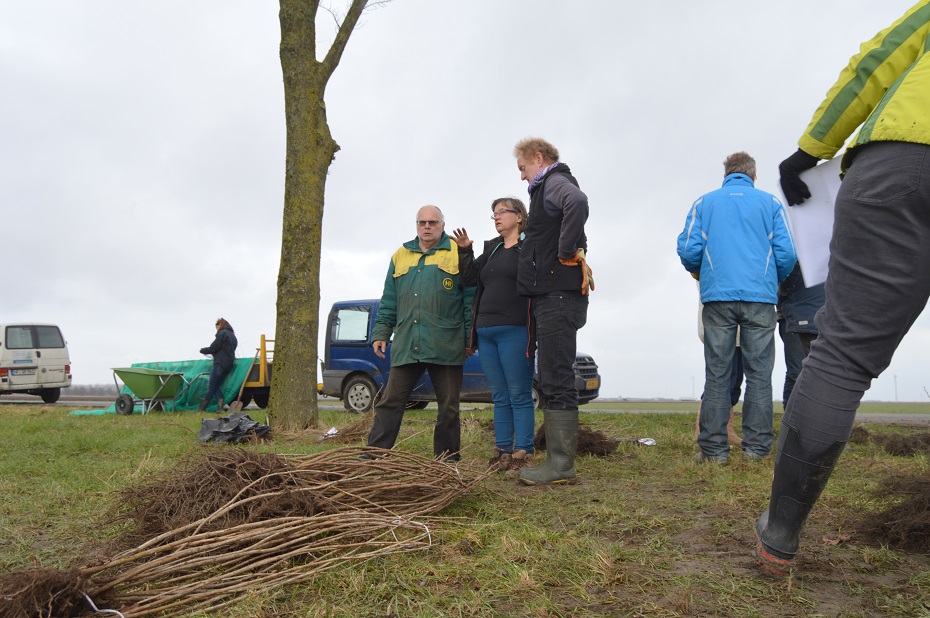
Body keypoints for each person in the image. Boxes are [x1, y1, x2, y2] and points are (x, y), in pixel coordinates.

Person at [756, 2, 930, 577]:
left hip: (902, 161)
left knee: (842, 357)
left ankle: (779, 535)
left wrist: (812, 148)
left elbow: (876, 63)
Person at [677, 152, 796, 464]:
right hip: (760, 298)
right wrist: (770, 281)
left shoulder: (705, 203)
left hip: (718, 297)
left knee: (717, 373)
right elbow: (787, 253)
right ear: (753, 175)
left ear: (726, 174)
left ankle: (714, 451)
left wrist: (704, 274)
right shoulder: (770, 204)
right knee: (760, 374)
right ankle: (757, 450)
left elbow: (688, 249)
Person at [362, 205, 474, 461]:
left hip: (445, 343)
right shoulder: (400, 256)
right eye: (422, 222)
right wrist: (381, 332)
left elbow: (470, 299)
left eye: (433, 222)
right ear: (416, 225)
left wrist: (470, 338)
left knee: (448, 407)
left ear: (442, 226)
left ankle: (447, 460)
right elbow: (389, 299)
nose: (427, 227)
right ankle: (373, 454)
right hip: (407, 342)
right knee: (390, 400)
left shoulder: (458, 253)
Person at [512, 137, 591, 486]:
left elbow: (577, 201)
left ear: (538, 158)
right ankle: (558, 462)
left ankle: (560, 465)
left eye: (523, 168)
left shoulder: (556, 182)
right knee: (552, 374)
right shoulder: (545, 187)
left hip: (559, 295)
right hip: (552, 294)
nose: (522, 176)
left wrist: (565, 248)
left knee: (556, 375)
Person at [452, 197, 535, 474]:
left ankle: (523, 449)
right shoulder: (493, 248)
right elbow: (469, 278)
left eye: (502, 212)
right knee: (499, 395)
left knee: (519, 393)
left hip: (515, 329)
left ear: (520, 217)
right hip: (485, 331)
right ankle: (503, 450)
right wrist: (466, 250)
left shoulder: (529, 247)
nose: (497, 217)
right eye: (494, 214)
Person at [777, 263, 825, 406]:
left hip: (805, 314)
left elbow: (785, 284)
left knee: (799, 371)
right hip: (802, 315)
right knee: (799, 371)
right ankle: (793, 419)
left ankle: (797, 419)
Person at [199, 318, 238, 412]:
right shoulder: (233, 336)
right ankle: (220, 407)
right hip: (228, 364)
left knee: (211, 385)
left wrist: (203, 350)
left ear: (220, 324)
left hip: (220, 363)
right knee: (216, 386)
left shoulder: (222, 333)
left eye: (216, 326)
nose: (216, 328)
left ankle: (202, 408)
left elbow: (214, 347)